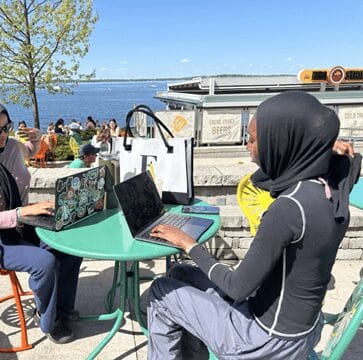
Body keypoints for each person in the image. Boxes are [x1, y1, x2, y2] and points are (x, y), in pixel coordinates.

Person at [147, 91, 361, 359]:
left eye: (253, 139)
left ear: (281, 141)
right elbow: (346, 164)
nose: (247, 145)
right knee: (181, 274)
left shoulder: (288, 208)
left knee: (161, 292)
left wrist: (187, 242)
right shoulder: (333, 186)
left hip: (265, 341)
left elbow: (237, 287)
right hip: (299, 328)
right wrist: (325, 146)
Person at [0, 97, 82, 344]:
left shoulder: (12, 146)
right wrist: (24, 212)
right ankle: (48, 319)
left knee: (69, 246)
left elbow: (32, 151)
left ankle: (64, 309)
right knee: (44, 261)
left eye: (7, 127)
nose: (3, 134)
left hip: (21, 226)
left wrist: (36, 138)